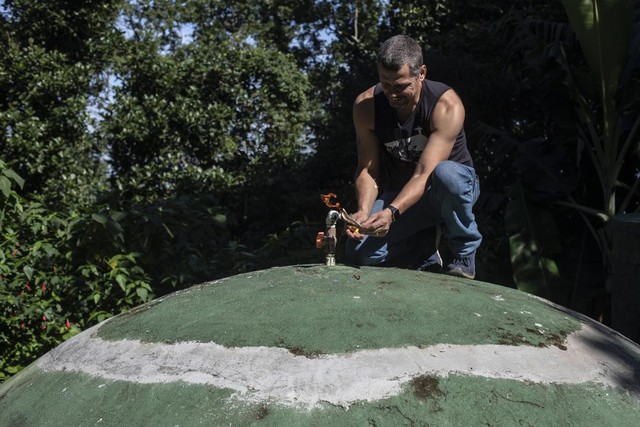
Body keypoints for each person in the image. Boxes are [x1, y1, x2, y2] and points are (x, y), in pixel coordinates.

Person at [344, 34, 482, 279]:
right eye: (385, 84)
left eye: (400, 86)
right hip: (402, 196)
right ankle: (422, 249)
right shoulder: (366, 106)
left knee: (446, 174)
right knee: (359, 253)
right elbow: (368, 170)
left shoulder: (446, 105)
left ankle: (463, 251)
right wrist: (364, 213)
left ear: (421, 73)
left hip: (448, 190)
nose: (392, 94)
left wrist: (391, 213)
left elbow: (425, 172)